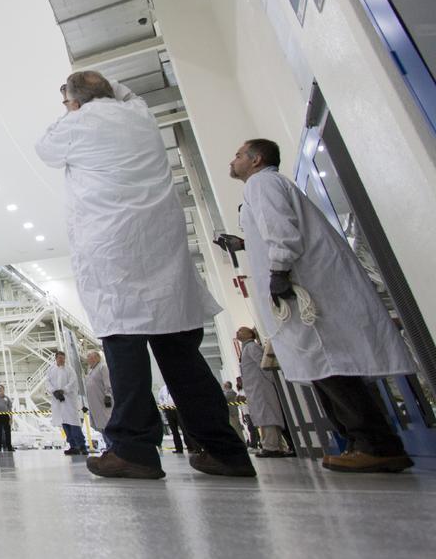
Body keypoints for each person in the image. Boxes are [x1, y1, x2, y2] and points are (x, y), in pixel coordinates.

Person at [36, 71, 253, 479]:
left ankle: (134, 449)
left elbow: (44, 147)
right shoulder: (139, 113)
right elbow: (124, 92)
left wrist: (72, 105)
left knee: (126, 354)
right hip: (162, 255)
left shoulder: (77, 123)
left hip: (116, 255)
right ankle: (226, 451)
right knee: (184, 361)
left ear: (74, 101)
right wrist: (91, 93)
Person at [228, 138, 416, 473]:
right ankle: (363, 443)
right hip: (306, 295)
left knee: (332, 369)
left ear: (256, 161)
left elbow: (282, 232)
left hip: (306, 296)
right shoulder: (268, 185)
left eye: (239, 155)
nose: (234, 159)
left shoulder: (262, 183)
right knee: (328, 371)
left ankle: (376, 445)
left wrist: (279, 271)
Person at [235, 327, 291, 457]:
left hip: (261, 386)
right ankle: (275, 445)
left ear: (251, 334)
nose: (238, 332)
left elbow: (263, 364)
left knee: (267, 415)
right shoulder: (246, 349)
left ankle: (271, 447)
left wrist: (271, 382)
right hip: (256, 387)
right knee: (264, 415)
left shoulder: (252, 347)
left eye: (241, 330)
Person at [46, 352, 87, 455]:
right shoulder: (51, 370)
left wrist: (63, 390)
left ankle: (81, 446)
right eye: (60, 358)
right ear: (56, 359)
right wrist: (54, 391)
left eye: (63, 358)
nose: (62, 360)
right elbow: (48, 382)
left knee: (74, 423)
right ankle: (73, 446)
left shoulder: (69, 370)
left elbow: (73, 382)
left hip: (69, 401)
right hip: (58, 402)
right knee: (64, 423)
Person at [157, 384, 200, 454]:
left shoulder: (176, 386)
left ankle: (190, 446)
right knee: (174, 430)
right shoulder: (163, 388)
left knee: (184, 428)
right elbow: (160, 398)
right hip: (168, 409)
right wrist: (163, 406)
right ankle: (178, 448)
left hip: (177, 409)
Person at [84, 350, 113, 448]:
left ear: (97, 358)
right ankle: (108, 446)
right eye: (88, 358)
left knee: (107, 424)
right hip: (95, 404)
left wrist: (108, 395)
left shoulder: (102, 367)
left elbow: (107, 382)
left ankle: (113, 447)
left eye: (91, 358)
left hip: (103, 402)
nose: (89, 360)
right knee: (101, 426)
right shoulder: (91, 370)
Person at [0, 384, 15, 452]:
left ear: (3, 389)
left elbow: (10, 408)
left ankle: (9, 446)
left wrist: (11, 418)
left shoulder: (7, 398)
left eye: (1, 388)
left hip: (5, 416)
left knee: (7, 432)